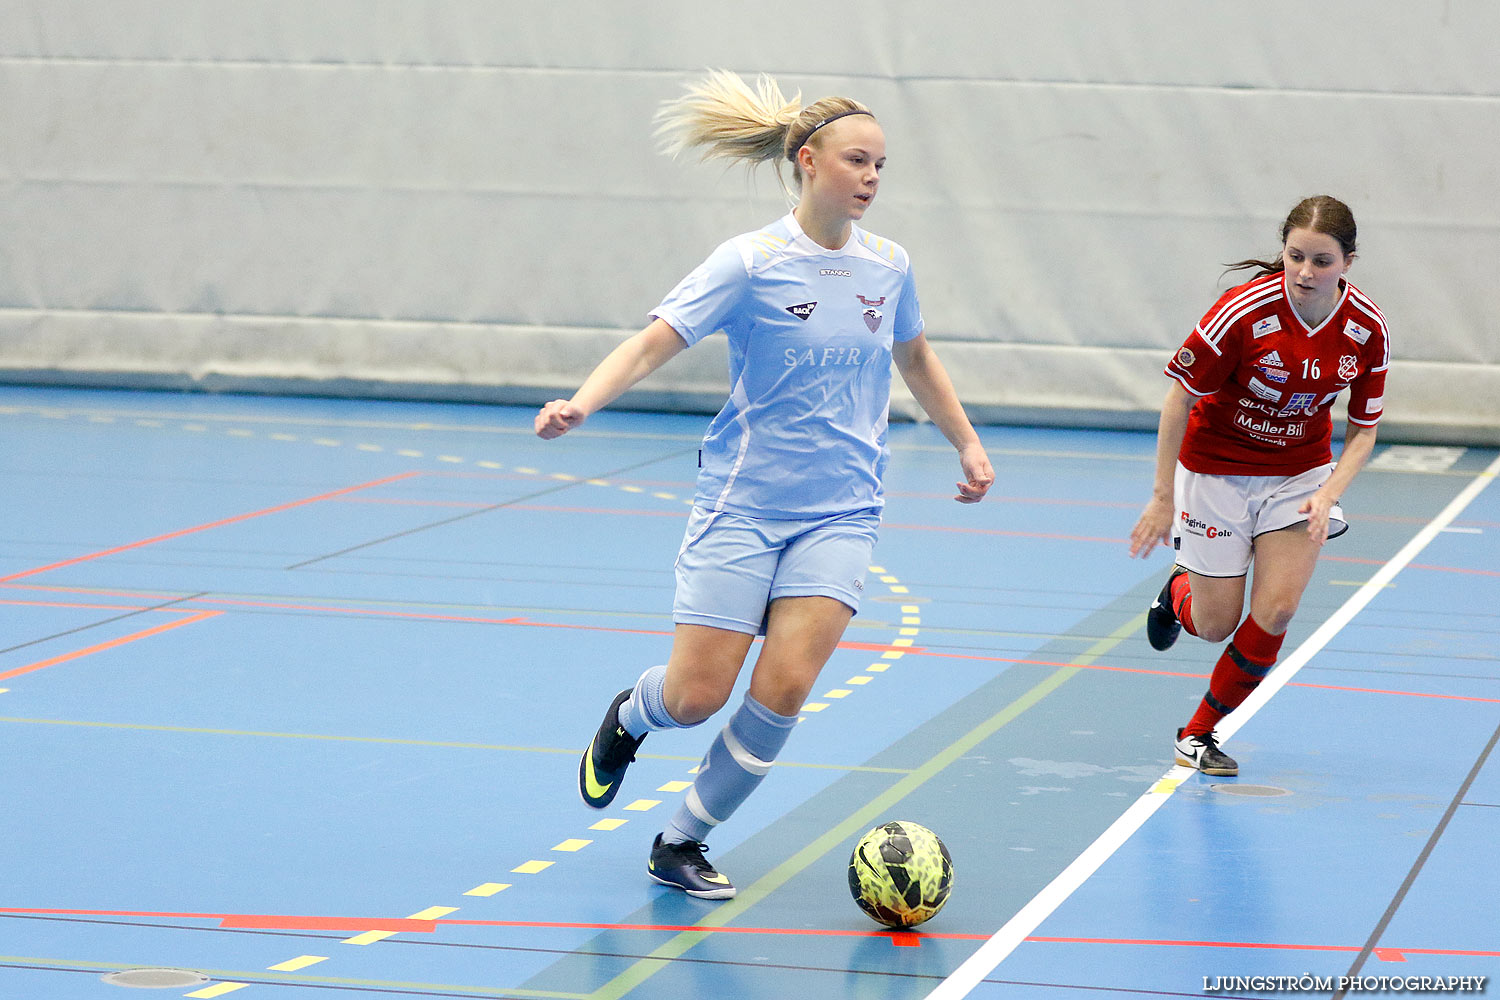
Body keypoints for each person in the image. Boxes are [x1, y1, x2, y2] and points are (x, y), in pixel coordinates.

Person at [534, 70, 993, 899]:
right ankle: (632, 715)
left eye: (882, 166)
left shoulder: (889, 266)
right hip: (743, 506)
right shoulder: (747, 262)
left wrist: (966, 443)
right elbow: (652, 343)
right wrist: (583, 403)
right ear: (808, 160)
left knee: (782, 689)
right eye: (858, 161)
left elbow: (915, 355)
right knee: (698, 695)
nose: (872, 179)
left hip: (843, 511)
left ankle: (682, 839)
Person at [1128, 195, 1390, 777]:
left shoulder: (1367, 329)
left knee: (1276, 611)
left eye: (1322, 261)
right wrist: (1163, 496)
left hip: (1296, 477)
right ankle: (1176, 591)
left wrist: (1327, 493)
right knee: (1216, 622)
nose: (1304, 272)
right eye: (1295, 256)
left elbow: (1364, 432)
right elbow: (1179, 398)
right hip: (1216, 472)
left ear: (1348, 262)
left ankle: (1198, 733)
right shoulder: (1243, 312)